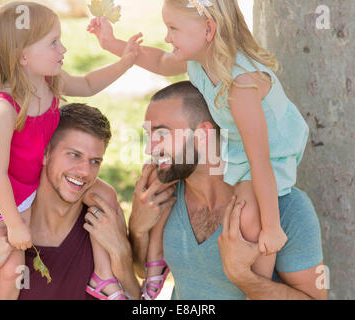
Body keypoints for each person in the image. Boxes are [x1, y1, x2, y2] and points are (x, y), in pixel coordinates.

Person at [88, 0, 309, 299]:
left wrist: (271, 227)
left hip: (270, 154)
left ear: (208, 29)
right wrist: (112, 43)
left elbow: (260, 161)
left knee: (249, 215)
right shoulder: (199, 60)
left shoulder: (240, 86)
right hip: (237, 145)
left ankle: (256, 280)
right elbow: (160, 62)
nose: (167, 37)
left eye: (173, 28)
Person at [0, 1, 141, 300]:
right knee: (11, 269)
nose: (63, 49)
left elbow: (87, 83)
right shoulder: (3, 108)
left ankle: (103, 276)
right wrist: (15, 224)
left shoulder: (50, 83)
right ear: (22, 55)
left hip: (38, 178)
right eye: (53, 43)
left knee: (105, 195)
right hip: (8, 198)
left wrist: (125, 62)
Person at [129, 81, 326, 299]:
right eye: (149, 136)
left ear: (203, 134)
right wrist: (137, 229)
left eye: (162, 135)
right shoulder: (164, 196)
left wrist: (244, 278)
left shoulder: (287, 207)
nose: (150, 148)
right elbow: (144, 270)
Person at [0, 103, 140, 300]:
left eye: (95, 161)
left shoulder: (101, 224)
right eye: (74, 155)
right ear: (45, 154)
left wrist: (122, 256)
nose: (85, 172)